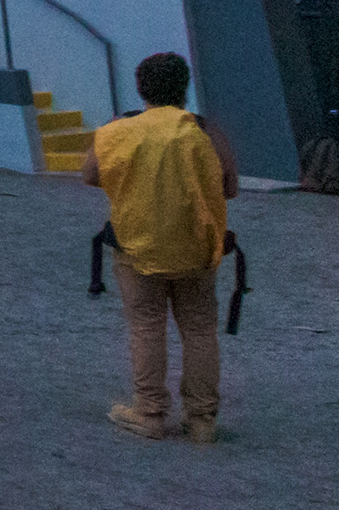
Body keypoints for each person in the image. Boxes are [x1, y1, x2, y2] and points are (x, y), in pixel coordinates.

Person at [85, 51, 239, 441]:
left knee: (146, 326)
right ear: (184, 88)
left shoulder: (119, 129)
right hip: (197, 248)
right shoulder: (203, 130)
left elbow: (89, 174)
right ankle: (202, 420)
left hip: (137, 249)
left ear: (140, 88)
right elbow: (230, 187)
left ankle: (150, 411)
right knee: (200, 329)